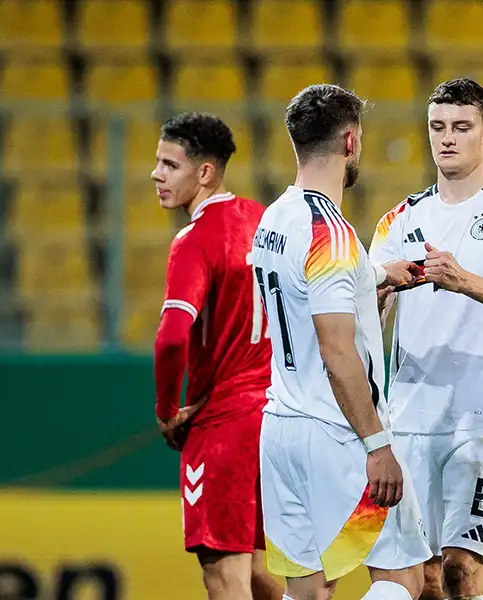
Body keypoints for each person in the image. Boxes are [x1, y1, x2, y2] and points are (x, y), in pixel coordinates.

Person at [369, 79, 483, 600]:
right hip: (408, 420)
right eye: (437, 127)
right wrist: (381, 291)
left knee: (462, 569)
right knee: (423, 578)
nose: (447, 139)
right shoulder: (398, 219)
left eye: (461, 127)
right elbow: (369, 323)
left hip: (480, 420)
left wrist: (463, 280)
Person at [252, 83, 431, 600]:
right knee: (401, 577)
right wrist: (378, 446)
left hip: (281, 430)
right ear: (351, 141)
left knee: (306, 591)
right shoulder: (331, 233)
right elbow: (335, 350)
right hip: (338, 436)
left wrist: (371, 278)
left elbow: (300, 300)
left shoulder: (274, 219)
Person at [152, 112, 283, 600]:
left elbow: (171, 338)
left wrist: (167, 411)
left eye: (170, 164)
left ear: (204, 173)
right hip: (279, 414)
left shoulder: (195, 238)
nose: (156, 174)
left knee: (223, 575)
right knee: (252, 573)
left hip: (225, 422)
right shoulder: (266, 221)